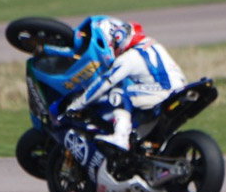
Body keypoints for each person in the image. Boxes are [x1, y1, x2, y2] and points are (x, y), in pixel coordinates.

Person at [65, 16, 187, 151]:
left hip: (164, 91)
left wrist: (77, 104)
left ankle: (120, 137)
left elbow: (104, 83)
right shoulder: (152, 43)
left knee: (119, 94)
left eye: (115, 45)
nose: (115, 50)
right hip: (181, 87)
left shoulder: (129, 58)